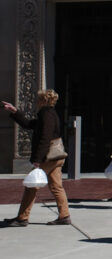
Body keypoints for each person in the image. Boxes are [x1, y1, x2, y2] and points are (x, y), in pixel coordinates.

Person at [2, 90, 72, 227]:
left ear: (44, 101)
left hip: (48, 157)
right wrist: (14, 111)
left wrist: (37, 160)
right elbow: (28, 124)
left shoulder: (47, 115)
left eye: (38, 99)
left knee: (31, 186)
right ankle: (64, 216)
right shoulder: (48, 114)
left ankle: (22, 218)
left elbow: (45, 138)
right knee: (57, 187)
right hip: (56, 156)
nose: (36, 101)